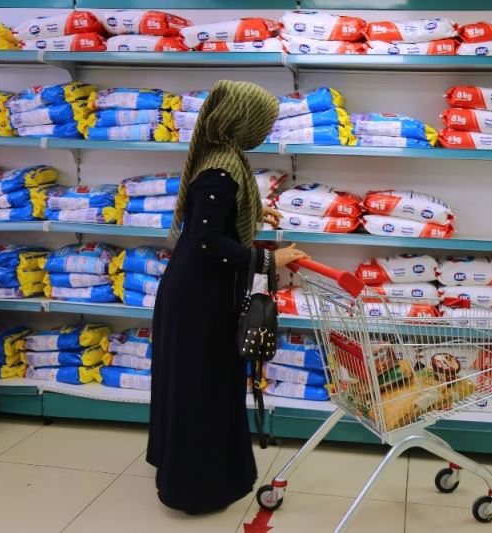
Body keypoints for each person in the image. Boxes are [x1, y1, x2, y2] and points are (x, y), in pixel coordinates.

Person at [147, 80, 309, 514]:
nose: (266, 130)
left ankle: (200, 474)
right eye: (263, 122)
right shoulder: (220, 170)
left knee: (204, 387)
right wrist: (268, 260)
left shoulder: (223, 158)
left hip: (201, 291)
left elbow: (215, 220)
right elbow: (206, 242)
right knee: (203, 390)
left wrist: (251, 215)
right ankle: (195, 489)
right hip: (198, 300)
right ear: (242, 121)